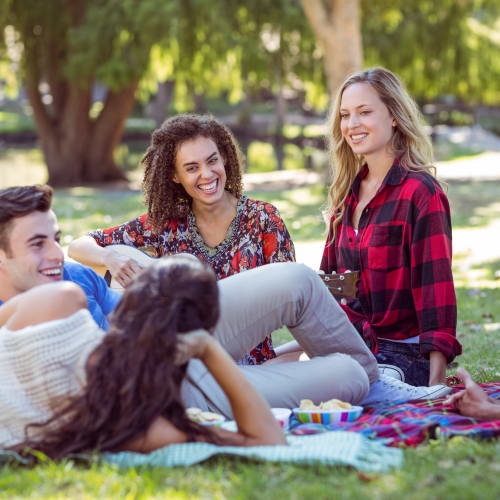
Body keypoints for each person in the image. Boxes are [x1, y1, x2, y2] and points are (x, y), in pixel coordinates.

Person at [69, 114, 295, 365]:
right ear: (175, 176)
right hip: (182, 366)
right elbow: (78, 245)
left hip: (250, 368)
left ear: (226, 159)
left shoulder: (263, 219)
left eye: (212, 161)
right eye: (192, 168)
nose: (207, 174)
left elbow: (290, 295)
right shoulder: (166, 224)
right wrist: (109, 256)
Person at [319, 67, 462, 386]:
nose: (352, 125)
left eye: (364, 112)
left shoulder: (421, 194)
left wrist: (435, 386)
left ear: (393, 116)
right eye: (345, 115)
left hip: (404, 355)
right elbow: (333, 286)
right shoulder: (347, 196)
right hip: (352, 347)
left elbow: (434, 290)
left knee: (352, 385)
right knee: (272, 374)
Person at [0, 185, 120, 330]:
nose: (58, 255)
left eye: (56, 239)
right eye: (37, 244)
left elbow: (138, 317)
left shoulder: (80, 276)